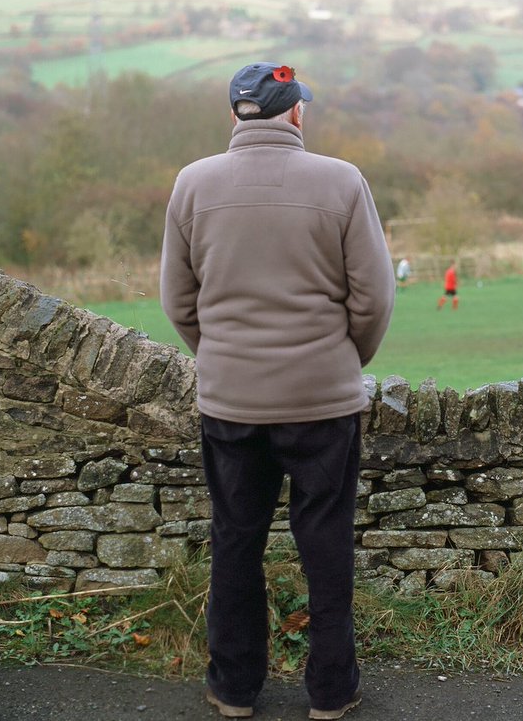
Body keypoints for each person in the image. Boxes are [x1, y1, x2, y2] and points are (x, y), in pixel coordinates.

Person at [160, 62, 394, 721]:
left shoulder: (192, 184)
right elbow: (374, 298)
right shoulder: (342, 182)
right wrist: (347, 359)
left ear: (235, 115)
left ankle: (234, 687)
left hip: (229, 402)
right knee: (325, 539)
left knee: (236, 536)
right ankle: (331, 690)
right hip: (323, 399)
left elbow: (178, 301)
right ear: (295, 114)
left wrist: (220, 358)